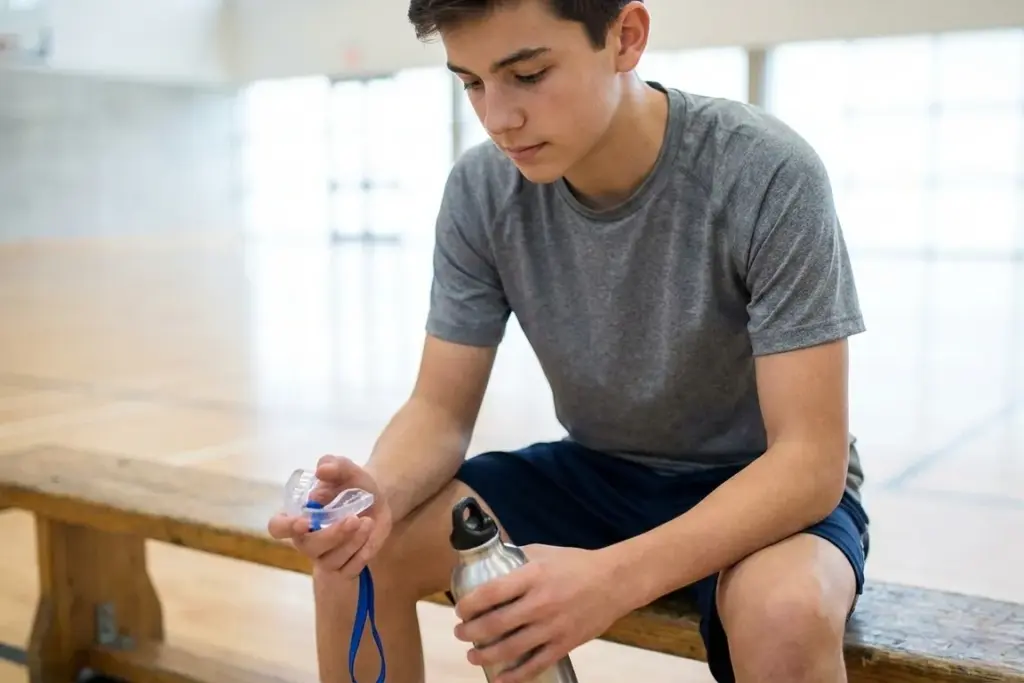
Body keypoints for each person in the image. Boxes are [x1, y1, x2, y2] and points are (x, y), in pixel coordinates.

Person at [268, 1, 870, 682]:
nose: (498, 118)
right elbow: (438, 410)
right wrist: (377, 492)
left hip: (757, 481)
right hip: (598, 471)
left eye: (526, 74)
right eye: (471, 83)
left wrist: (612, 578)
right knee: (358, 560)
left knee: (786, 612)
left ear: (626, 38)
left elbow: (809, 461)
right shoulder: (480, 189)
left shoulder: (765, 171)